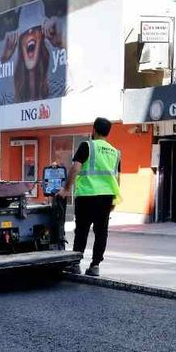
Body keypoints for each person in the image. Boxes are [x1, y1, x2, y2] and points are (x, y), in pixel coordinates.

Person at [55, 117, 121, 277]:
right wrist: (114, 199)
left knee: (82, 230)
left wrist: (66, 189)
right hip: (106, 197)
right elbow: (116, 178)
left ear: (94, 130)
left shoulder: (87, 146)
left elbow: (75, 168)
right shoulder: (115, 152)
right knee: (101, 232)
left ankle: (75, 263)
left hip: (87, 195)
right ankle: (95, 265)